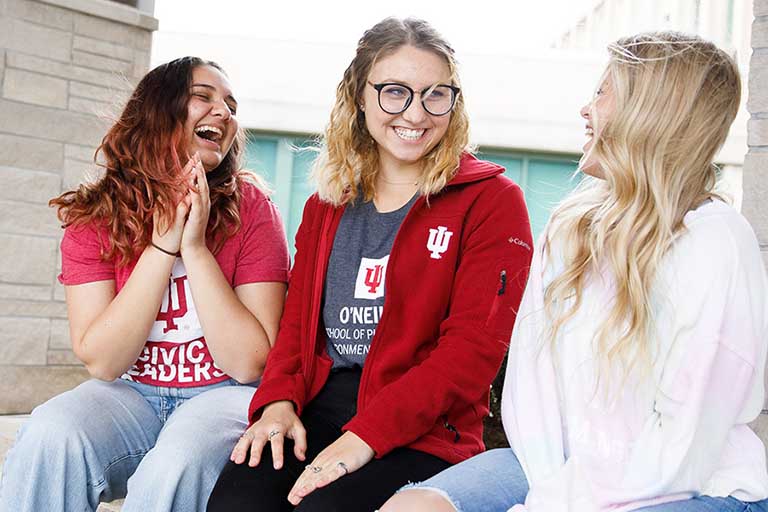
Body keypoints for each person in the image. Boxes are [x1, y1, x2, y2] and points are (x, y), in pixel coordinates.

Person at [380, 31, 768, 512]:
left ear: (649, 114)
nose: (586, 110)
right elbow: (532, 394)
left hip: (694, 485)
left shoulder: (715, 243)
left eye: (603, 93)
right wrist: (551, 492)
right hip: (561, 468)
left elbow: (685, 445)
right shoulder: (571, 227)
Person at [206, 17, 533, 512]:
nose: (416, 113)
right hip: (319, 406)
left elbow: (471, 354)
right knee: (238, 503)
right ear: (360, 97)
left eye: (435, 95)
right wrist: (276, 403)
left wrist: (364, 438)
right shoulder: (328, 204)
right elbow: (297, 329)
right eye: (395, 92)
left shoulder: (491, 201)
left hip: (423, 429)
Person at [0, 56, 290, 512]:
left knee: (176, 462)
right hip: (130, 393)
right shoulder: (97, 215)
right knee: (50, 435)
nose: (224, 112)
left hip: (224, 394)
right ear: (159, 110)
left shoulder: (251, 208)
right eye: (203, 97)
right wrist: (161, 248)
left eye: (231, 105)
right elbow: (104, 361)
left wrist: (193, 249)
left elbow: (251, 362)